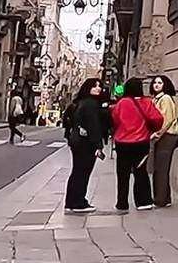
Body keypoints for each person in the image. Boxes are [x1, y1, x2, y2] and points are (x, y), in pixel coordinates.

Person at [109, 78, 163, 212]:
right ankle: (143, 201)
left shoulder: (121, 103)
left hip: (122, 143)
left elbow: (115, 119)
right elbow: (158, 118)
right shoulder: (147, 102)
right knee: (140, 171)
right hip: (141, 142)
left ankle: (122, 203)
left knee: (122, 173)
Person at [62, 78, 109, 212]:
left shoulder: (80, 102)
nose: (98, 88)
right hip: (85, 143)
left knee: (77, 171)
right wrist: (98, 145)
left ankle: (72, 201)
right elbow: (93, 126)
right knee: (83, 172)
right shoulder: (91, 104)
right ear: (88, 88)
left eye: (99, 86)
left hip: (77, 141)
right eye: (95, 86)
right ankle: (78, 202)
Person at [148, 77, 178, 208]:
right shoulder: (156, 99)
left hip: (167, 136)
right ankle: (163, 197)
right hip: (163, 135)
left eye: (160, 83)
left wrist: (158, 134)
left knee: (161, 168)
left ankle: (160, 199)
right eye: (155, 82)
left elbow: (167, 119)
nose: (156, 85)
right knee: (159, 167)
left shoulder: (165, 99)